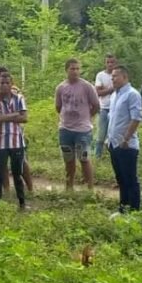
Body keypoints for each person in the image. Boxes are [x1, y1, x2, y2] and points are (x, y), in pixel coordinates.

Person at [55, 58, 101, 191]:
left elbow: (96, 105)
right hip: (65, 129)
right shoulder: (61, 88)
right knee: (68, 159)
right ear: (66, 70)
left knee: (84, 158)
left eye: (77, 69)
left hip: (82, 130)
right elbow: (58, 107)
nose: (75, 71)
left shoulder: (87, 86)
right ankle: (69, 187)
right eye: (72, 69)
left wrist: (87, 117)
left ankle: (90, 188)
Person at [107, 65, 142, 212]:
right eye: (112, 76)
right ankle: (123, 208)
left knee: (130, 179)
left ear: (125, 77)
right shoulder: (115, 95)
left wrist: (126, 139)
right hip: (114, 143)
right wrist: (107, 139)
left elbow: (136, 118)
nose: (113, 79)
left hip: (126, 145)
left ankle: (134, 210)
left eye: (115, 76)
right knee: (120, 179)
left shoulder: (132, 94)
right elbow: (113, 119)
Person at [0, 72, 29, 209]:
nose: (5, 85)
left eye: (7, 83)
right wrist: (15, 114)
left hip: (16, 140)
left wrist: (4, 116)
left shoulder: (19, 98)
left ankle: (22, 202)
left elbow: (25, 118)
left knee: (17, 173)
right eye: (2, 83)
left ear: (11, 84)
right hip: (0, 141)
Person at [94, 54, 118, 159]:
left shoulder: (118, 75)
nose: (110, 64)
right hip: (104, 108)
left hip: (116, 108)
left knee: (114, 134)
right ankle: (97, 157)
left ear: (115, 63)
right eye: (108, 62)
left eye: (112, 62)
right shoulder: (100, 75)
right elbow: (98, 92)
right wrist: (112, 89)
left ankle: (114, 156)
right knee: (101, 134)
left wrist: (105, 90)